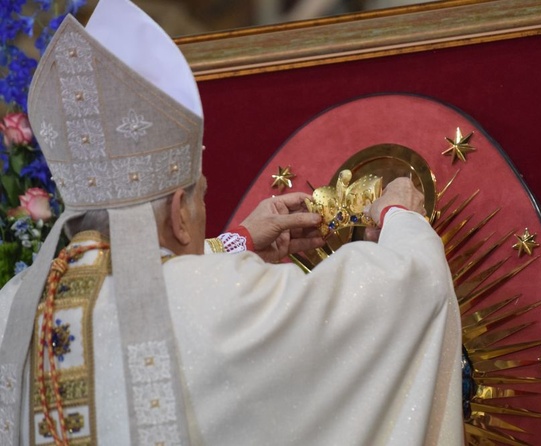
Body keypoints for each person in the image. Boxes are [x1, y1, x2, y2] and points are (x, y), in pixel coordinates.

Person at [0, 0, 463, 445]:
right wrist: (401, 215)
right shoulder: (224, 299)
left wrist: (235, 242)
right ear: (181, 213)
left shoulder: (12, 310)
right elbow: (401, 297)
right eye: (201, 195)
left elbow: (145, 282)